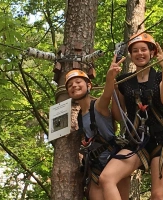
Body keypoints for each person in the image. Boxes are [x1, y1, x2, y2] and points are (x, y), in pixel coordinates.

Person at [99, 32, 163, 200]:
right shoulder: (124, 81)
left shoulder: (160, 76)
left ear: (152, 53)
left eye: (144, 50)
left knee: (158, 196)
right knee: (106, 178)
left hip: (161, 140)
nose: (140, 53)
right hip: (135, 141)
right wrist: (111, 83)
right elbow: (119, 115)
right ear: (131, 55)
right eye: (135, 51)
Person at [64, 55, 130, 200]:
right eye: (70, 85)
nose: (74, 86)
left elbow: (107, 93)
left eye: (78, 82)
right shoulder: (80, 117)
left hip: (115, 162)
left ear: (89, 86)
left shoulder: (98, 106)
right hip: (97, 167)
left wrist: (110, 75)